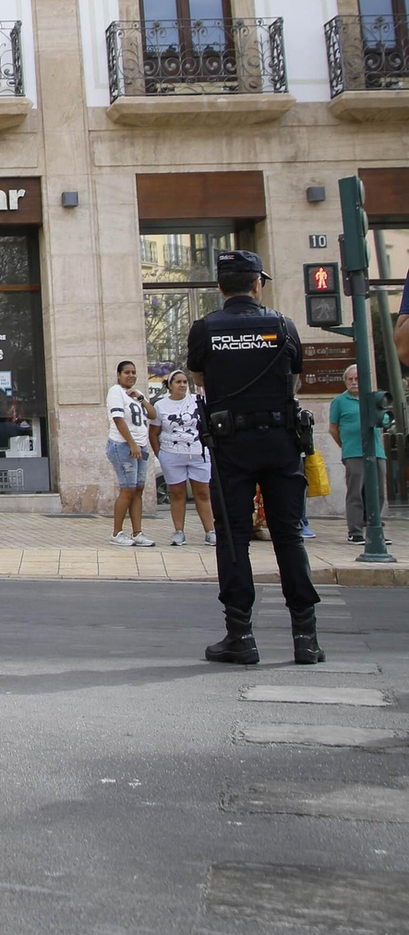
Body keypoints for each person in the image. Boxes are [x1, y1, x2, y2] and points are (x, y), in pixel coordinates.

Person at [188, 249, 322, 667]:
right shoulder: (282, 325)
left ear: (219, 287)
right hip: (280, 443)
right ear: (257, 284)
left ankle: (241, 636)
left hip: (231, 445)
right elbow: (295, 378)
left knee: (233, 539)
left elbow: (199, 378)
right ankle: (305, 638)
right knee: (288, 537)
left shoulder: (205, 329)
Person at [151, 368, 214, 547]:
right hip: (172, 454)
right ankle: (179, 531)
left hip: (198, 453)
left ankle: (210, 531)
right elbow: (153, 433)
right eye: (178, 382)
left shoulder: (197, 401)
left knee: (202, 493)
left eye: (185, 382)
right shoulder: (161, 405)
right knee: (177, 493)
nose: (182, 385)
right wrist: (160, 455)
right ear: (170, 385)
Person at [330, 361, 386, 545]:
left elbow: (384, 420)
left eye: (357, 379)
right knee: (355, 493)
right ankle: (355, 532)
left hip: (376, 452)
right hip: (353, 453)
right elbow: (333, 429)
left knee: (378, 492)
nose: (354, 382)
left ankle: (375, 530)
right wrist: (346, 446)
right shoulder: (339, 401)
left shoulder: (372, 399)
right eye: (350, 379)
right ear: (345, 381)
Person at [105, 361, 155, 547]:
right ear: (118, 375)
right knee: (127, 488)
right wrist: (132, 444)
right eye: (126, 372)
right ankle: (117, 533)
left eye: (134, 372)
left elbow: (153, 414)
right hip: (123, 445)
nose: (131, 375)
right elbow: (118, 420)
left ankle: (137, 532)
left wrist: (141, 398)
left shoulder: (136, 394)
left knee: (138, 489)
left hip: (140, 446)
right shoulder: (115, 391)